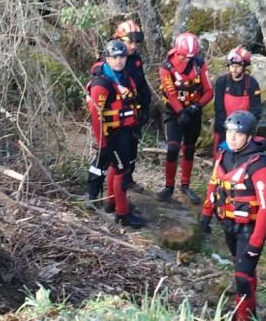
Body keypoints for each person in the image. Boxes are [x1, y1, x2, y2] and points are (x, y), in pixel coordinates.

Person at [199, 111, 266, 321]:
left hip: (249, 229)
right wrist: (206, 213)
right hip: (228, 224)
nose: (232, 138)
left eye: (238, 134)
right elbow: (214, 184)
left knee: (242, 276)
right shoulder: (224, 155)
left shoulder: (260, 165)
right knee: (244, 272)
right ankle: (249, 308)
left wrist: (256, 243)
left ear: (249, 136)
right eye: (230, 132)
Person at [86, 40, 146, 228]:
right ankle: (122, 214)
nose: (119, 61)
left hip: (126, 131)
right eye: (115, 57)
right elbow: (96, 117)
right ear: (107, 58)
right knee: (122, 171)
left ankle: (111, 202)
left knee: (117, 168)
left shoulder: (126, 76)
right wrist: (102, 143)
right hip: (111, 134)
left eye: (122, 57)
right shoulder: (101, 83)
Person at [156, 32, 214, 204]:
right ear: (177, 51)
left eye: (191, 57)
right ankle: (168, 186)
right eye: (184, 56)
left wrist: (195, 107)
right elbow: (170, 93)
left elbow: (209, 91)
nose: (187, 60)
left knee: (189, 148)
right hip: (174, 112)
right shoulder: (166, 67)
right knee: (173, 148)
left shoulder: (199, 64)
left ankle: (185, 184)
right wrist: (181, 112)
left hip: (194, 110)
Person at [112, 20, 152, 193]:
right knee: (117, 152)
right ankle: (111, 190)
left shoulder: (135, 60)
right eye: (130, 42)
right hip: (117, 113)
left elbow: (141, 83)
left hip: (134, 111)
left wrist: (145, 105)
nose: (134, 46)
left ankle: (128, 180)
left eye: (136, 42)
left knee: (133, 147)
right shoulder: (111, 58)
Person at [211, 46, 263, 158]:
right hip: (223, 126)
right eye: (232, 66)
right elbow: (218, 107)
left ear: (244, 67)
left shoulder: (252, 84)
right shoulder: (222, 82)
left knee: (242, 159)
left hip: (243, 129)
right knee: (219, 156)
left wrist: (246, 129)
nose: (234, 69)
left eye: (237, 66)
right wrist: (226, 127)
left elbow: (256, 109)